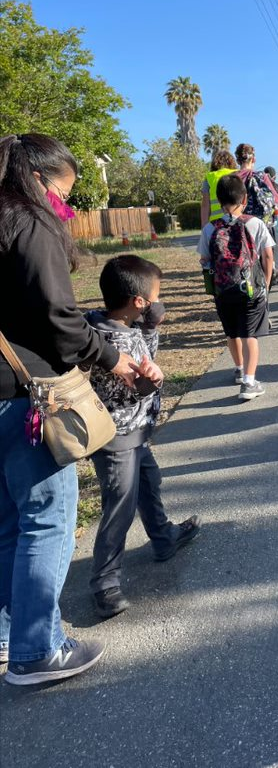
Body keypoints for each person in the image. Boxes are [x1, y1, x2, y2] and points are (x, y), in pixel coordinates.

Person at [0, 133, 138, 685]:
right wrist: (113, 359)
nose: (67, 204)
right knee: (46, 519)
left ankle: (12, 630)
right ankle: (39, 649)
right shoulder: (28, 223)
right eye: (63, 190)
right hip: (20, 393)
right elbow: (59, 317)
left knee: (9, 521)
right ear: (37, 178)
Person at [86, 255, 202, 618]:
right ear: (138, 302)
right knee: (120, 504)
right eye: (154, 297)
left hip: (136, 434)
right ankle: (105, 582)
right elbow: (129, 389)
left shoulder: (104, 324)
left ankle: (163, 537)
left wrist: (149, 329)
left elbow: (143, 355)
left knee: (150, 482)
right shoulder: (114, 340)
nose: (156, 302)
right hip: (118, 437)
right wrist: (151, 380)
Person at [209, 175, 274, 400]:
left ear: (219, 201)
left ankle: (238, 369)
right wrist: (264, 285)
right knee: (250, 335)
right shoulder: (255, 223)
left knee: (232, 332)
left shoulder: (210, 228)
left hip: (223, 290)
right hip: (251, 288)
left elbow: (204, 260)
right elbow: (267, 256)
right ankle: (249, 382)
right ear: (245, 198)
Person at [234, 143, 278, 222]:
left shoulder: (231, 178)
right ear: (253, 159)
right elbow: (276, 199)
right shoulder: (261, 177)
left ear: (238, 161)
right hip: (257, 224)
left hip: (236, 223)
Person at [200, 148, 238, 227]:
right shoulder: (238, 175)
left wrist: (204, 227)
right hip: (235, 220)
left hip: (216, 223)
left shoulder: (209, 178)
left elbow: (205, 206)